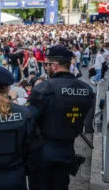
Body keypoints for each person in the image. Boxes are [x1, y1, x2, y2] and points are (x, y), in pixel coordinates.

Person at [27, 46, 94, 190]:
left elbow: (29, 119)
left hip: (43, 150)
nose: (45, 67)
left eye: (47, 64)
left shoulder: (44, 88)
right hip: (68, 149)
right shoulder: (86, 89)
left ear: (54, 65)